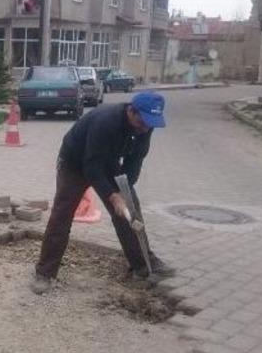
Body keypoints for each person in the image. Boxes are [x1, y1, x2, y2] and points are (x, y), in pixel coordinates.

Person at [31, 92, 169, 294]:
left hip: (108, 162)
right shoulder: (105, 121)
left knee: (130, 211)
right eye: (142, 122)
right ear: (131, 111)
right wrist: (113, 196)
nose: (145, 128)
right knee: (62, 214)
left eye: (150, 124)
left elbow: (134, 162)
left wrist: (123, 192)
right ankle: (45, 272)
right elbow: (92, 167)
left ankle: (142, 264)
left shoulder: (146, 126)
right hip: (75, 163)